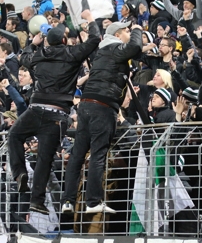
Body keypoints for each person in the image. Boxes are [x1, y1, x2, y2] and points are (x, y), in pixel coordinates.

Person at [8, 11, 100, 215]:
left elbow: (22, 57)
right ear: (64, 40)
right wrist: (91, 20)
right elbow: (95, 40)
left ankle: (19, 173)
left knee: (14, 135)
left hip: (35, 109)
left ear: (46, 41)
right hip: (57, 115)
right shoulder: (72, 53)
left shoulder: (39, 54)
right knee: (45, 159)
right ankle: (36, 200)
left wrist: (34, 42)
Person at [61, 20, 143, 215]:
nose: (129, 33)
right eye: (127, 31)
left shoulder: (102, 52)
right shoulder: (115, 48)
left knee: (78, 154)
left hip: (87, 104)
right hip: (104, 106)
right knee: (98, 153)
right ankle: (93, 201)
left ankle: (68, 201)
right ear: (118, 34)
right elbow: (135, 46)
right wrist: (139, 30)